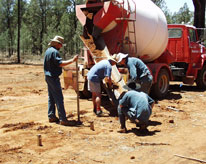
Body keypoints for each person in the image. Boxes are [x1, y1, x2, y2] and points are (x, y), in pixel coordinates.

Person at [44, 35, 78, 126]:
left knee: (51, 97)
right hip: (53, 77)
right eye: (61, 44)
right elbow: (60, 63)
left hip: (48, 77)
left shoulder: (48, 51)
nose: (61, 46)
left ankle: (51, 116)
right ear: (57, 44)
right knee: (59, 98)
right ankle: (63, 118)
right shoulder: (54, 52)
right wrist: (72, 60)